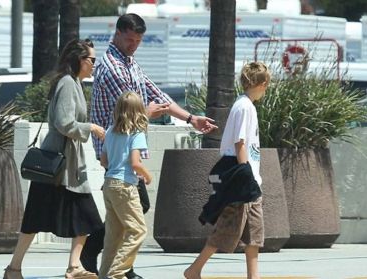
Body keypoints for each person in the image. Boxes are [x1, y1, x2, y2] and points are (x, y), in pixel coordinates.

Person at [82, 13, 217, 279]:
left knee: (126, 213)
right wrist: (148, 112)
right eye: (130, 40)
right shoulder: (111, 66)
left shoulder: (129, 62)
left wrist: (191, 118)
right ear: (118, 33)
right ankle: (117, 267)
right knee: (136, 215)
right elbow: (131, 111)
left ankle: (105, 262)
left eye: (138, 41)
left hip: (122, 148)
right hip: (116, 150)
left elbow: (158, 95)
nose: (134, 45)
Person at [3, 39, 106, 279]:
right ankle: (14, 268)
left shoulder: (75, 83)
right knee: (36, 218)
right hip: (58, 164)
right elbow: (63, 122)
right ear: (79, 60)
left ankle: (73, 266)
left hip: (69, 166)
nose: (94, 64)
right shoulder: (68, 83)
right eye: (91, 60)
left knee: (86, 216)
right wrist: (89, 127)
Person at [184, 61, 271, 279]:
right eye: (266, 84)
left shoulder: (246, 105)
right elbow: (239, 142)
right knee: (228, 227)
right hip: (242, 176)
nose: (266, 89)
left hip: (248, 177)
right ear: (261, 83)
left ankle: (254, 276)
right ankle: (194, 270)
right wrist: (246, 175)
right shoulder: (243, 107)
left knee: (254, 231)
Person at [98, 91, 152, 279]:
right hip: (125, 186)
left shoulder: (110, 132)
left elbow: (103, 161)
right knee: (138, 231)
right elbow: (136, 163)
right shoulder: (137, 133)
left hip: (109, 185)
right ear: (139, 110)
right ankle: (116, 274)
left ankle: (104, 274)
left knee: (113, 236)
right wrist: (147, 175)